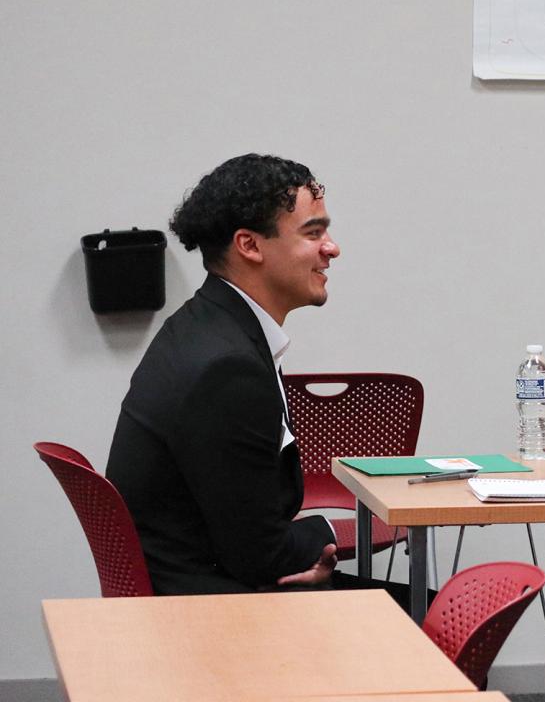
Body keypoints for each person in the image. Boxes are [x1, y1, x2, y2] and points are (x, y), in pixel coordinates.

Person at [107, 153, 358, 595]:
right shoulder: (227, 368)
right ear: (250, 245)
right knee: (433, 628)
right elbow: (262, 559)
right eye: (313, 232)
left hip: (204, 589)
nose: (332, 247)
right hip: (214, 614)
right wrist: (326, 533)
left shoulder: (203, 324)